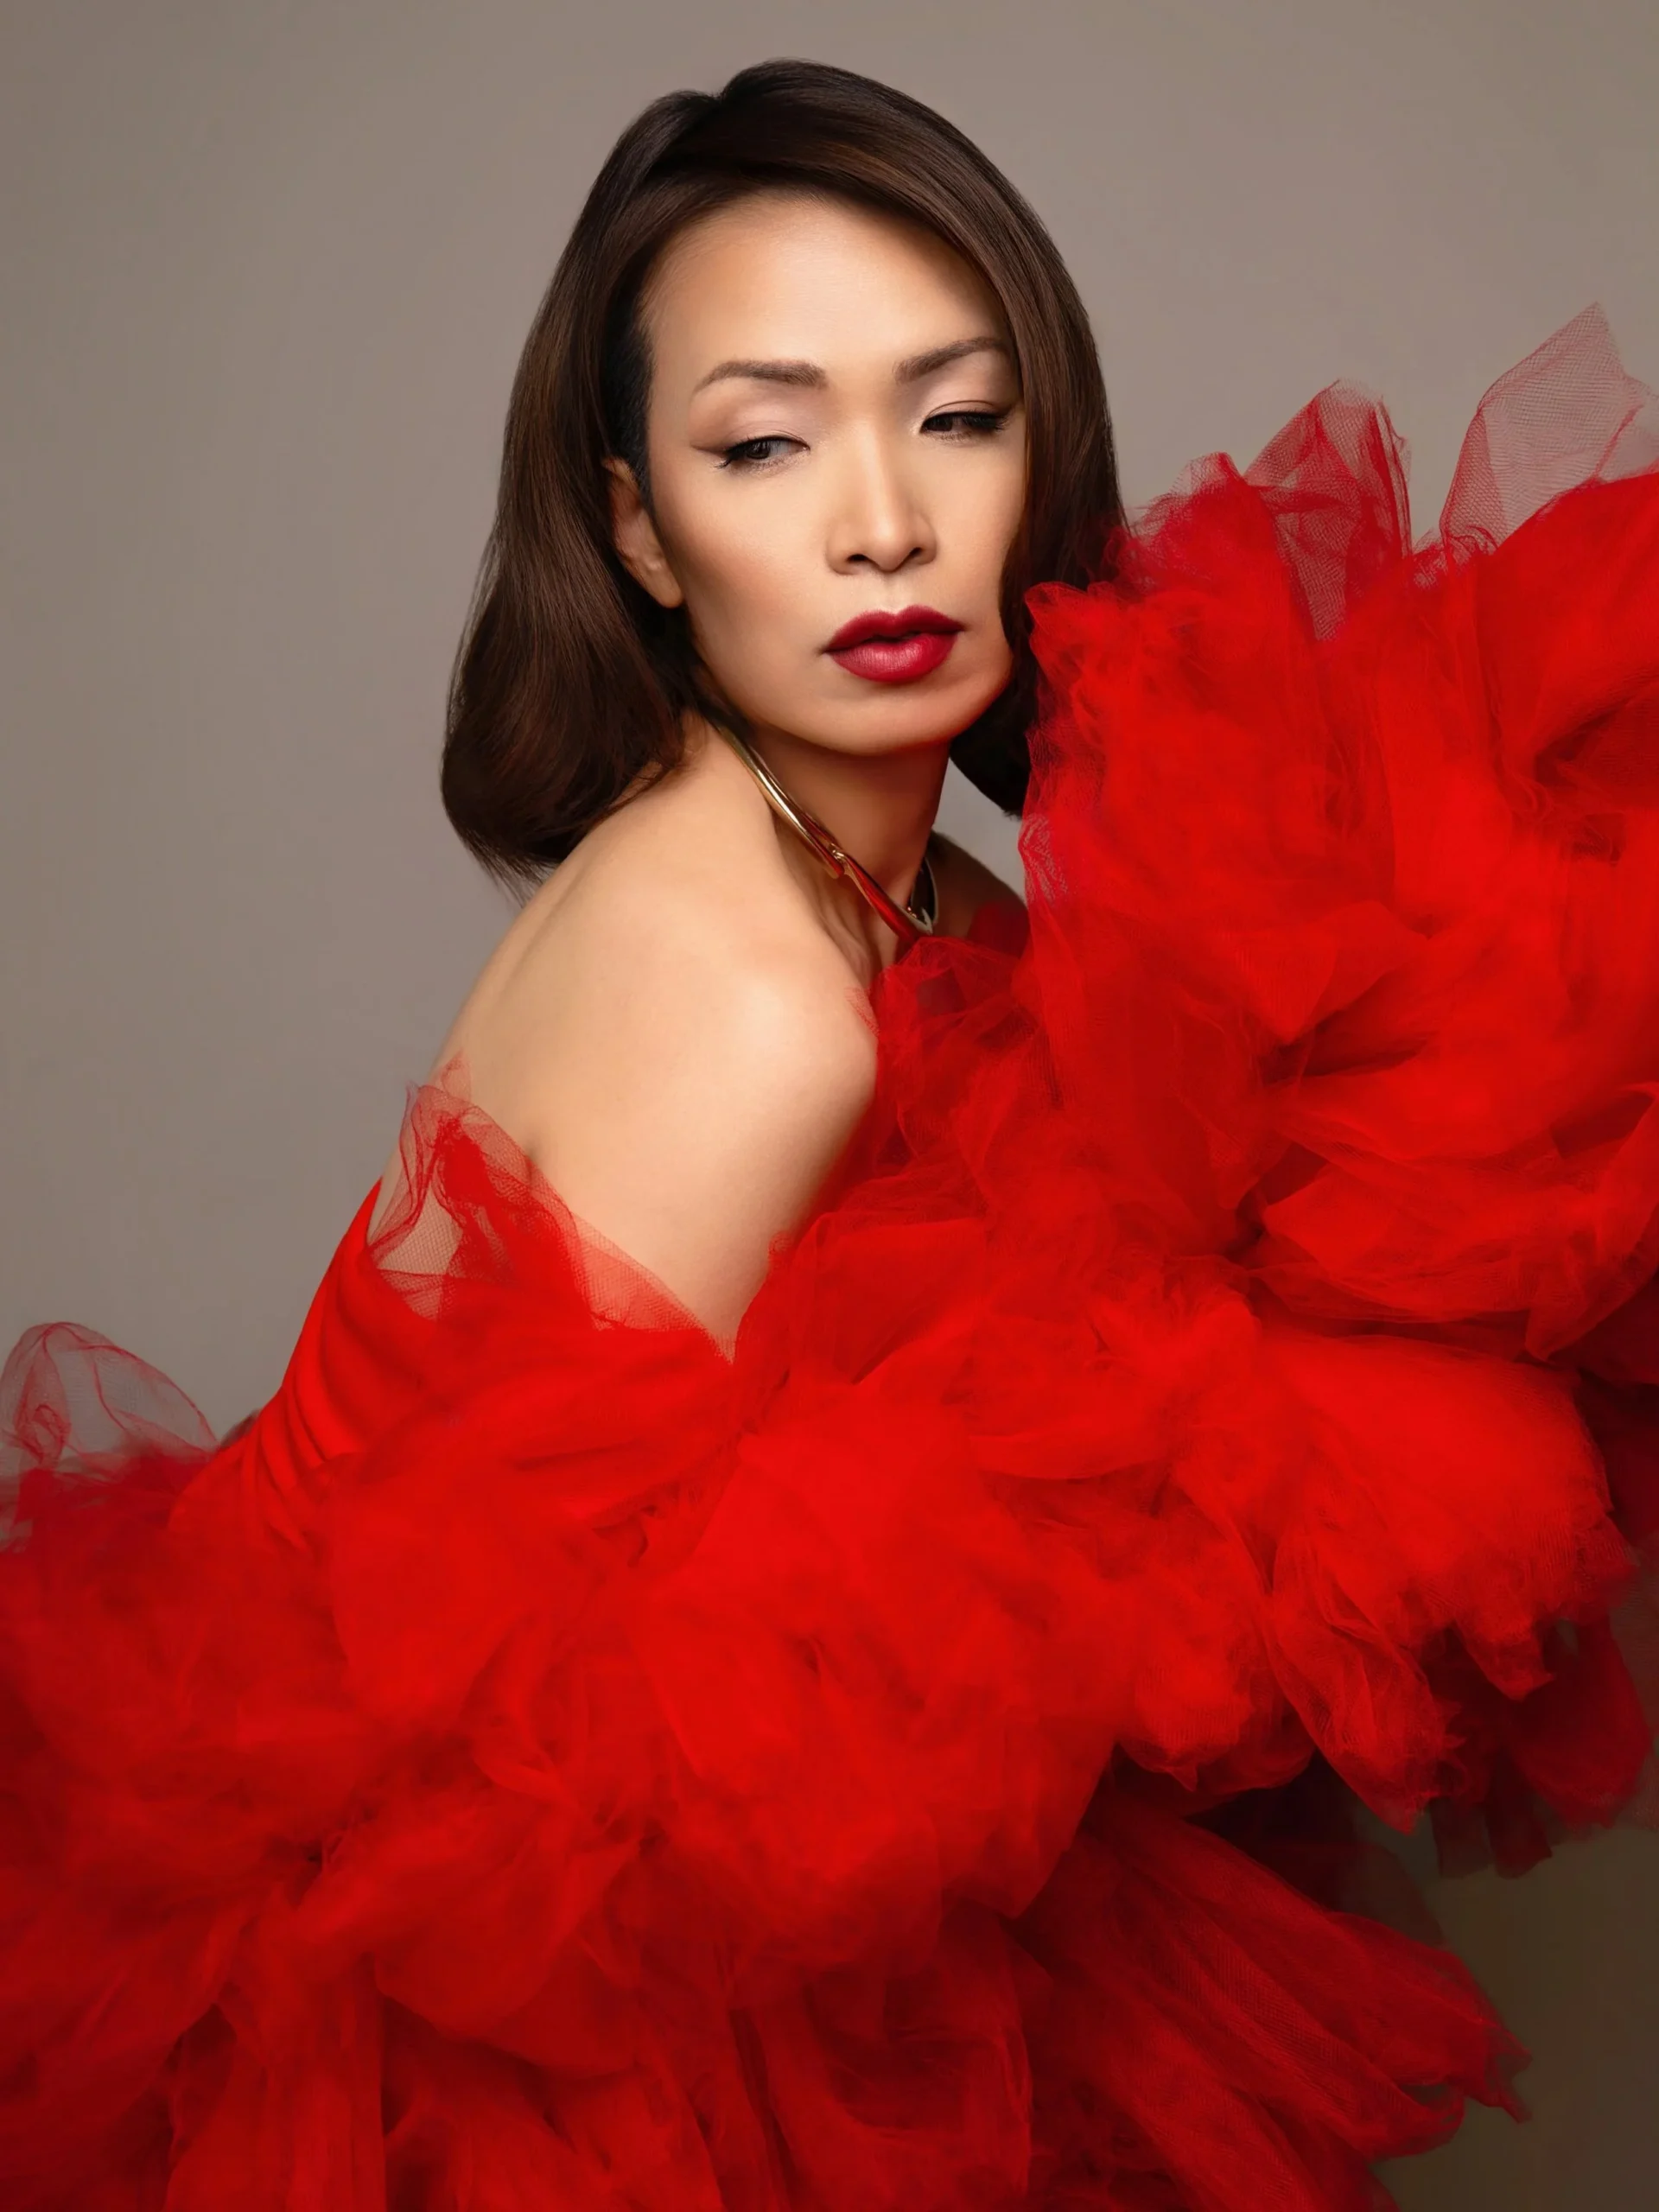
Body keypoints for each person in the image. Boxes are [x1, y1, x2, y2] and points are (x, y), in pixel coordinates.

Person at [2, 56, 1656, 2212]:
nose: (882, 518)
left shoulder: (937, 911)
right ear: (633, 528)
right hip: (424, 1988)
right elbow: (547, 1769)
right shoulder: (747, 981)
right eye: (765, 442)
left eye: (956, 416)